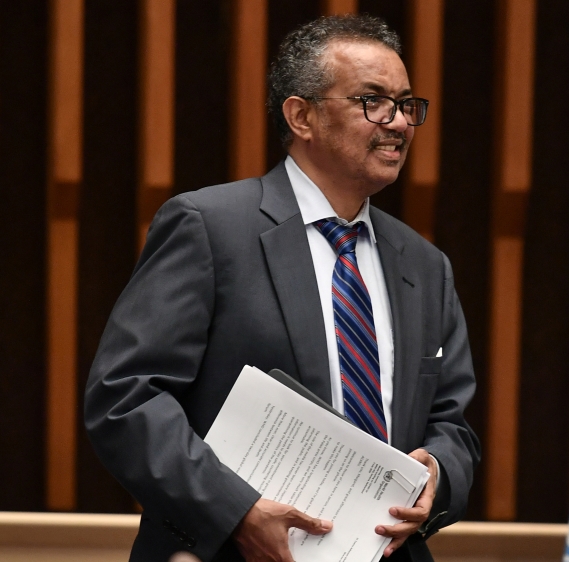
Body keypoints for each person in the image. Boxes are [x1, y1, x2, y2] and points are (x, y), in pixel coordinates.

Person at [84, 15, 480, 562]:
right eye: (373, 101)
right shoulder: (210, 227)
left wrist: (437, 474)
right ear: (301, 116)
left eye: (407, 105)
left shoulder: (425, 265)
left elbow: (452, 424)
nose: (398, 123)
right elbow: (126, 397)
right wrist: (236, 511)